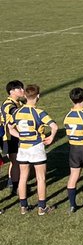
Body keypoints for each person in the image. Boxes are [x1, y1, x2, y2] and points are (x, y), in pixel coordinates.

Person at [8, 84, 57, 215]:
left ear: (25, 96)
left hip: (23, 148)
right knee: (40, 178)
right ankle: (42, 207)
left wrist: (21, 136)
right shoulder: (39, 112)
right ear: (38, 96)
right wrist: (51, 137)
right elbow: (54, 126)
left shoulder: (17, 112)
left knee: (23, 177)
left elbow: (10, 128)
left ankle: (23, 206)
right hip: (36, 147)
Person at [2, 80, 24, 197]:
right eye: (19, 88)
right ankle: (15, 187)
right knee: (16, 162)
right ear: (11, 91)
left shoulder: (18, 102)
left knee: (15, 161)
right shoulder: (8, 104)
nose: (22, 90)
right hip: (10, 137)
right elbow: (14, 112)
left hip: (15, 136)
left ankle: (12, 183)